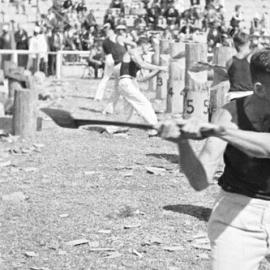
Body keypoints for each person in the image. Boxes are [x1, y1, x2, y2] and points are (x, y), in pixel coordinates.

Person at [158, 49, 270, 270]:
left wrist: (220, 131)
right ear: (260, 89)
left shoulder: (222, 126)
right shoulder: (229, 114)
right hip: (238, 215)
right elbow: (200, 181)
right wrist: (182, 143)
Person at [116, 37, 167, 134]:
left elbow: (142, 78)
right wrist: (159, 67)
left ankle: (115, 129)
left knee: (128, 111)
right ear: (143, 44)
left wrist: (158, 70)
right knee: (144, 103)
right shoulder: (132, 51)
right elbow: (142, 64)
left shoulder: (140, 57)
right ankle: (154, 129)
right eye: (149, 47)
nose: (148, 50)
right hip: (126, 82)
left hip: (131, 82)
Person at [94, 23, 125, 108]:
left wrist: (102, 59)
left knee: (105, 78)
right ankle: (122, 95)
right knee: (119, 77)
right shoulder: (117, 38)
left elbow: (103, 53)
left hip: (108, 58)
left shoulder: (104, 40)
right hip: (115, 57)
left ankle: (98, 96)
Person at [226, 31, 254, 99]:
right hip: (249, 95)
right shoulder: (253, 58)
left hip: (233, 96)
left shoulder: (230, 61)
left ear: (235, 43)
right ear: (248, 42)